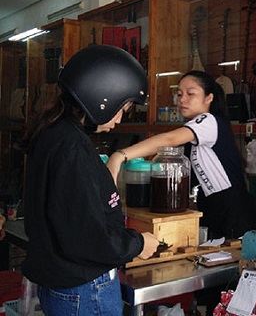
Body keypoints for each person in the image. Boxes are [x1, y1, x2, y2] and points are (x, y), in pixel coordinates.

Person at [18, 45, 159, 316]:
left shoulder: (53, 133)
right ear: (103, 96)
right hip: (85, 290)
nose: (119, 119)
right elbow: (86, 236)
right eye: (122, 107)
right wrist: (138, 245)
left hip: (64, 285)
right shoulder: (72, 146)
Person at [107, 70, 256, 240]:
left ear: (209, 98)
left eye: (191, 93)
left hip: (233, 213)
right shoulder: (195, 128)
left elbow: (170, 139)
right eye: (179, 94)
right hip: (214, 211)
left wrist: (120, 155)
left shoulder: (208, 121)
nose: (182, 99)